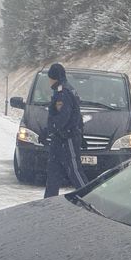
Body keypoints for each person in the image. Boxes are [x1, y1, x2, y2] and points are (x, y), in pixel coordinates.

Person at [42, 63, 87, 198]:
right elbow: (78, 115)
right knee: (53, 172)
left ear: (54, 77)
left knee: (74, 171)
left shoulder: (63, 93)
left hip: (67, 139)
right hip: (59, 139)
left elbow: (63, 117)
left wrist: (47, 131)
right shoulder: (64, 90)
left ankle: (89, 197)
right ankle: (49, 202)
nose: (48, 80)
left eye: (50, 77)